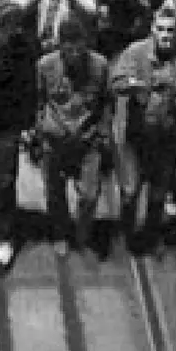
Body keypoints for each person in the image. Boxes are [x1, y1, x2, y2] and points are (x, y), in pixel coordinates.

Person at [110, 2, 176, 254]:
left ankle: (151, 235)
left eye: (170, 30)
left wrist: (173, 84)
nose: (165, 35)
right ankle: (127, 232)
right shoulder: (135, 52)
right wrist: (134, 85)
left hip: (169, 141)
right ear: (152, 30)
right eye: (160, 29)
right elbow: (115, 81)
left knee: (157, 194)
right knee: (130, 192)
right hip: (136, 138)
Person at [33, 17, 113, 254]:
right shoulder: (45, 65)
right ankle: (59, 233)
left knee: (89, 194)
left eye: (80, 47)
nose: (76, 54)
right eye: (69, 49)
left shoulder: (100, 66)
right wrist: (41, 128)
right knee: (55, 192)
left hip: (88, 140)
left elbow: (107, 103)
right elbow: (39, 99)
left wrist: (102, 132)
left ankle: (82, 232)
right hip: (55, 140)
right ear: (60, 46)